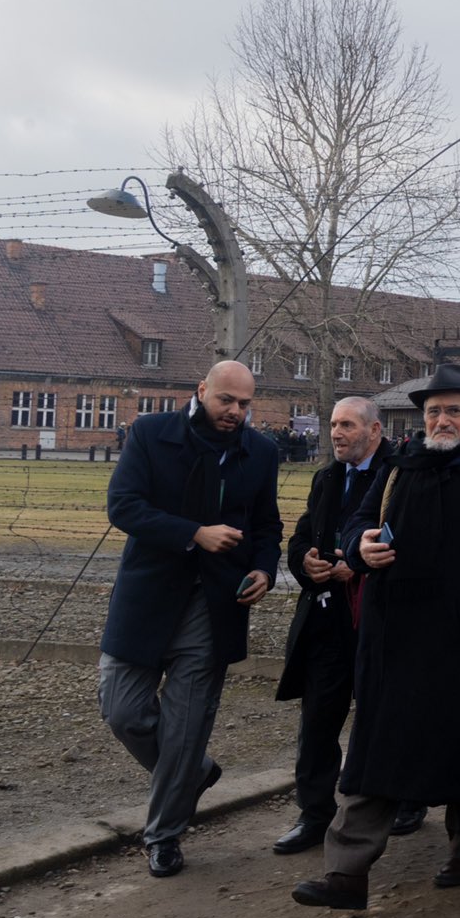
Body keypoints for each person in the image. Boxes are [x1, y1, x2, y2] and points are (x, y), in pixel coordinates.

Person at [290, 365, 460, 911]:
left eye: (454, 410)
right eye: (433, 410)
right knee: (373, 750)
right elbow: (355, 524)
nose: (442, 419)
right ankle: (346, 872)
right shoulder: (400, 469)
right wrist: (361, 548)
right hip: (390, 640)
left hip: (458, 642)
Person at [99, 360, 283, 878]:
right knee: (122, 710)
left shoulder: (261, 451)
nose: (235, 412)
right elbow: (123, 507)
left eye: (245, 404)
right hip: (148, 597)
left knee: (184, 728)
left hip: (216, 605)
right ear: (201, 391)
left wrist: (264, 570)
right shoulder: (151, 434)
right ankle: (194, 774)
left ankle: (164, 835)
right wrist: (194, 532)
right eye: (226, 400)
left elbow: (268, 525)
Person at [271, 396, 412, 855]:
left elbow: (411, 543)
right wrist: (304, 563)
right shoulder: (327, 478)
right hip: (327, 619)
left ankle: (405, 800)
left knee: (387, 716)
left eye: (347, 425)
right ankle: (314, 815)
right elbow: (301, 535)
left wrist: (359, 564)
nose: (336, 433)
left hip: (380, 619)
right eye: (333, 424)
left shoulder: (400, 476)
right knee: (317, 720)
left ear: (374, 431)